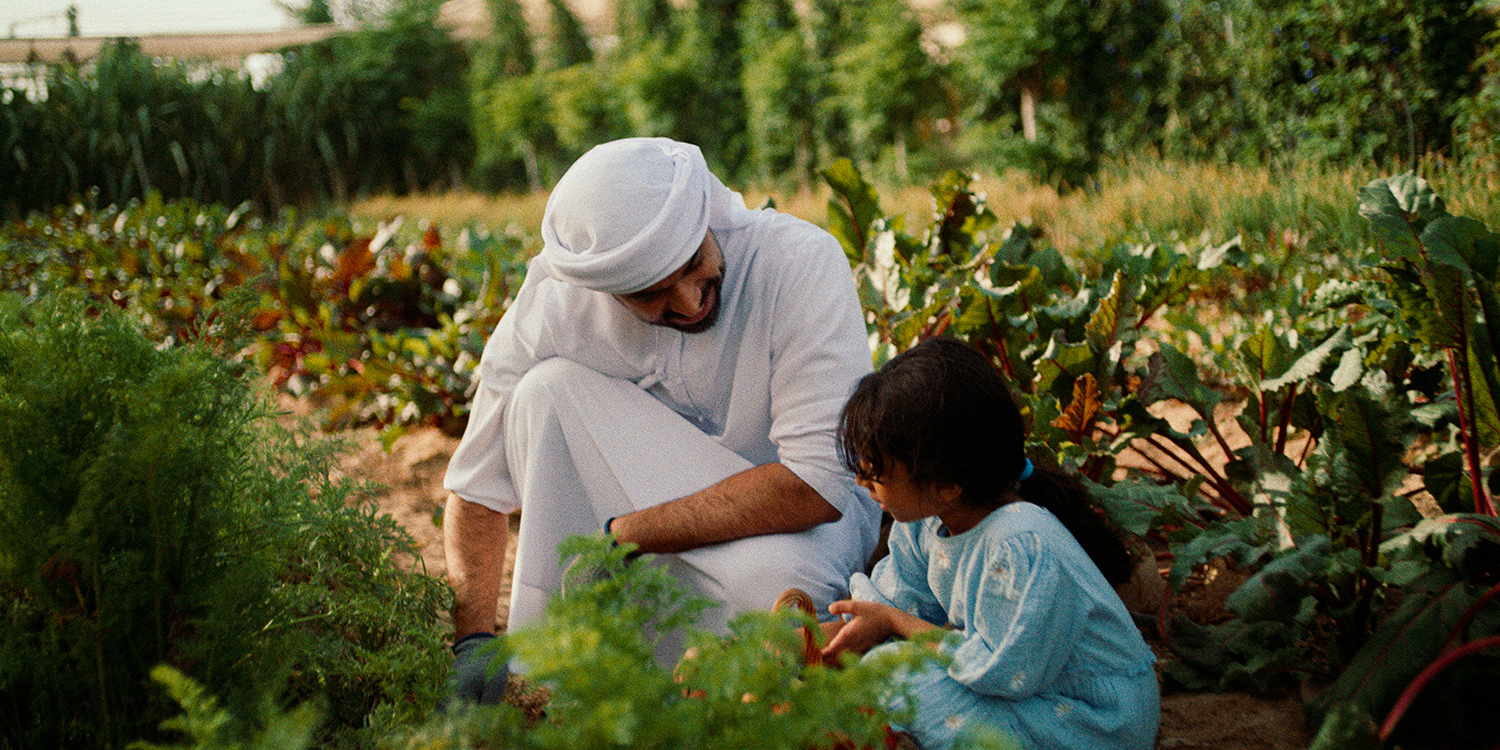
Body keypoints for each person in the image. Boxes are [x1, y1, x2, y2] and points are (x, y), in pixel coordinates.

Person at [442, 137, 882, 703]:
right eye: (651, 295)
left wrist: (623, 537)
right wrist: (473, 640)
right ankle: (562, 669)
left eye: (695, 265)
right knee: (541, 394)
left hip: (802, 533)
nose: (689, 299)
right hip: (662, 528)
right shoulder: (557, 303)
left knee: (778, 596)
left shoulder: (798, 262)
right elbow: (475, 484)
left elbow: (817, 488)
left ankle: (671, 675)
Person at [819, 337, 1159, 750]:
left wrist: (894, 624)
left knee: (902, 679)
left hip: (1094, 716)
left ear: (945, 483)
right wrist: (816, 638)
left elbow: (1004, 671)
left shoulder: (1020, 543)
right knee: (884, 669)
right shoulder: (925, 520)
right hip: (1022, 688)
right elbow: (897, 602)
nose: (861, 481)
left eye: (876, 472)